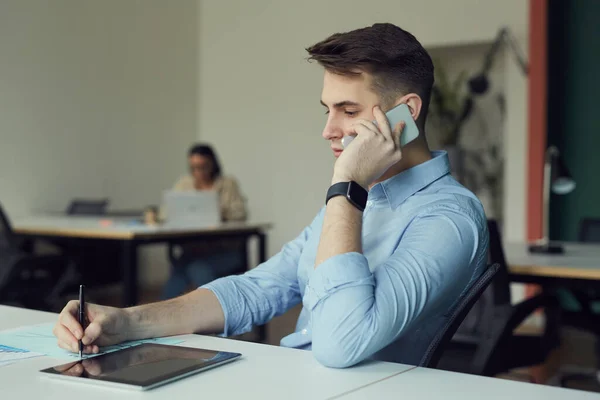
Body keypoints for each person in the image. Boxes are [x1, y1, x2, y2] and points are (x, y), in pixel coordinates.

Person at [52, 23, 488, 369]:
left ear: (406, 115)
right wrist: (127, 321)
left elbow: (340, 344)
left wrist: (346, 184)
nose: (328, 130)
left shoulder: (448, 217)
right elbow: (258, 289)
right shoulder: (360, 199)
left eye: (349, 111)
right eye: (327, 109)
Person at [160, 144, 248, 299]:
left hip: (225, 250)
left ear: (213, 164)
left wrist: (218, 211)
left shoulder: (228, 184)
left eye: (203, 167)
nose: (198, 172)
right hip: (192, 250)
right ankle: (164, 318)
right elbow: (166, 211)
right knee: (179, 272)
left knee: (198, 268)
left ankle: (219, 315)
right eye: (194, 167)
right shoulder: (184, 183)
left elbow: (240, 213)